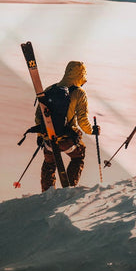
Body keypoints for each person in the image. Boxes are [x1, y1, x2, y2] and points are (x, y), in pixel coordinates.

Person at [35, 60, 96, 189]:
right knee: (79, 156)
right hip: (67, 140)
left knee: (49, 163)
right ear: (81, 74)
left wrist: (42, 133)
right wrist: (92, 131)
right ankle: (69, 188)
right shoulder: (79, 93)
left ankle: (47, 191)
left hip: (49, 139)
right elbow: (82, 120)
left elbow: (38, 116)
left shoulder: (50, 89)